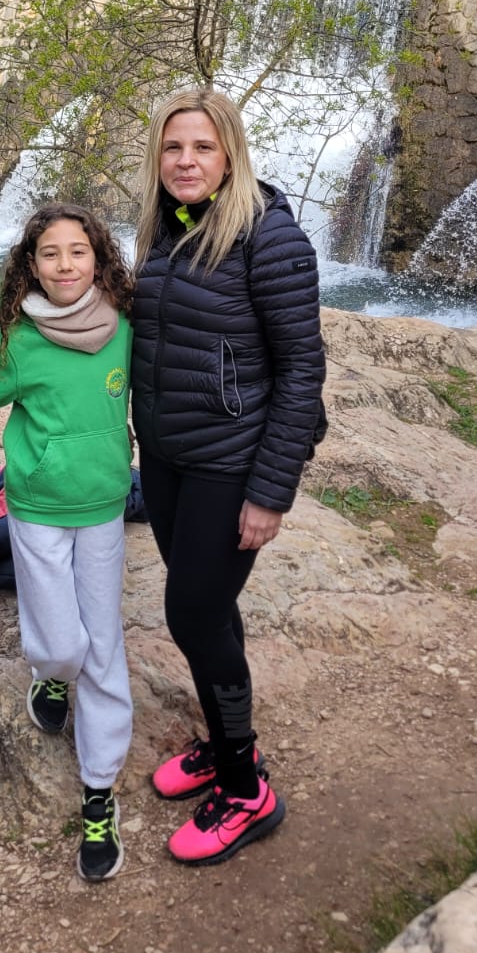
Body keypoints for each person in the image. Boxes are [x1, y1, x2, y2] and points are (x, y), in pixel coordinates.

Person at [130, 88, 326, 867]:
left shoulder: (268, 237)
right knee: (210, 613)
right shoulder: (166, 226)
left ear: (230, 154)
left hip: (230, 463)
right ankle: (226, 740)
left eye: (203, 147)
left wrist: (269, 492)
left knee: (191, 614)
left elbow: (303, 370)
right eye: (173, 147)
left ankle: (247, 792)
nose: (186, 161)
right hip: (168, 458)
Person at [0, 203, 135, 882]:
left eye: (78, 252)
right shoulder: (17, 342)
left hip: (104, 507)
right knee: (63, 647)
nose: (65, 265)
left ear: (99, 258)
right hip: (36, 507)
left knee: (103, 646)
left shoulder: (126, 328)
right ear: (30, 267)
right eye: (50, 254)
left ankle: (99, 791)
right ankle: (51, 674)